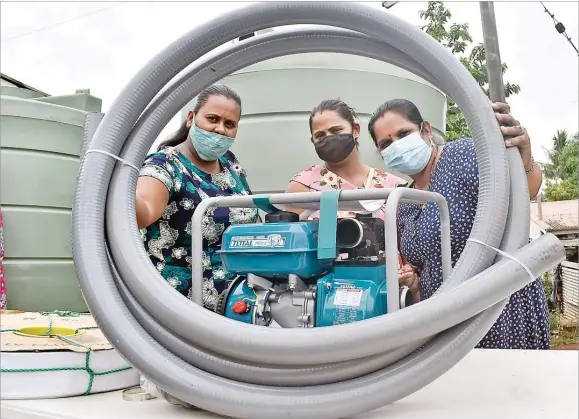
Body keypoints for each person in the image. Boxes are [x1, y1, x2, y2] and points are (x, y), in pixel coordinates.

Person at [368, 98, 548, 349]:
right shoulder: (404, 202)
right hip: (446, 321)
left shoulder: (464, 154)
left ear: (426, 130)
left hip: (499, 308)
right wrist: (414, 281)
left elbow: (523, 193)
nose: (397, 145)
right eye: (386, 143)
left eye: (404, 133)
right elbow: (423, 266)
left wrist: (525, 158)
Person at [136, 85, 258, 310]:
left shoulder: (231, 165)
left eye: (229, 124)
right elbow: (143, 210)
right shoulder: (165, 166)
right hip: (180, 306)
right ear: (191, 118)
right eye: (213, 119)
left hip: (236, 300)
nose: (220, 129)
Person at [285, 99, 407, 219]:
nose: (329, 138)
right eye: (320, 135)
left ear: (356, 130)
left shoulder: (392, 187)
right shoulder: (302, 187)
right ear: (313, 140)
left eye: (336, 130)